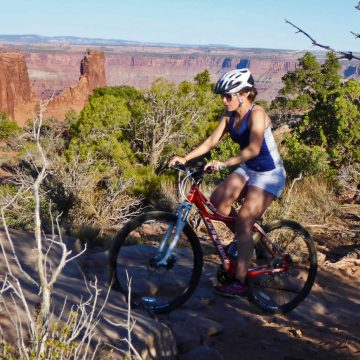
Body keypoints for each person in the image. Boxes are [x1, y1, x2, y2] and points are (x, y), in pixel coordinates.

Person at [169, 68, 286, 297]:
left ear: (244, 94)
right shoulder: (228, 115)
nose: (224, 100)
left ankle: (240, 280)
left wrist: (224, 163)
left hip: (269, 174)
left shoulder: (257, 114)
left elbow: (253, 148)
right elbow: (210, 142)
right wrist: (185, 158)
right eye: (223, 95)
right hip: (249, 169)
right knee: (218, 201)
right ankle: (246, 244)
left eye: (228, 95)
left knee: (243, 219)